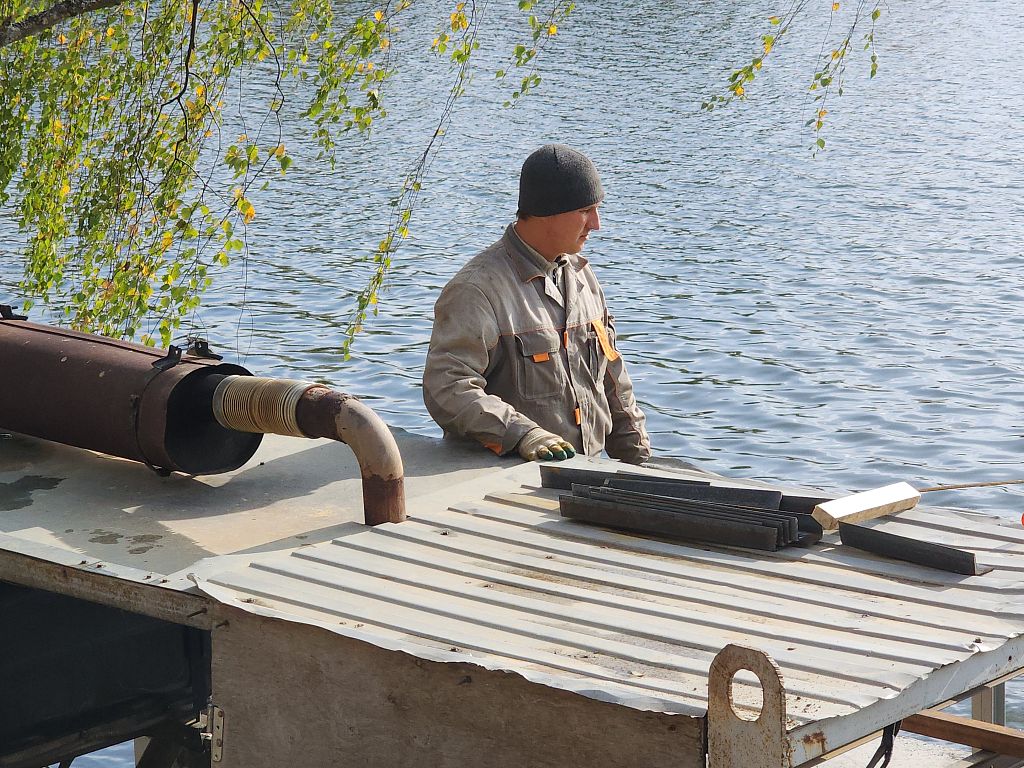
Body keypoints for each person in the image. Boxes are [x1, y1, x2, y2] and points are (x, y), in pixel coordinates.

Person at [422, 144, 651, 464]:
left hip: (588, 474)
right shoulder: (475, 292)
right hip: (510, 485)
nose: (596, 224)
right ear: (547, 212)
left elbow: (614, 379)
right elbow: (447, 387)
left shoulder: (583, 279)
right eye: (586, 211)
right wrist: (523, 434)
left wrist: (639, 462)